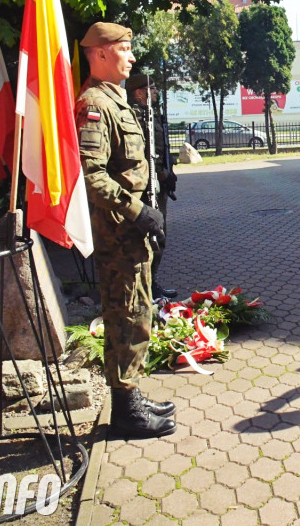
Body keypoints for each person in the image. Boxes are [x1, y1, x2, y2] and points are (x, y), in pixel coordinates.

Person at [75, 22, 176, 437]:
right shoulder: (94, 104)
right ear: (99, 53)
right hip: (117, 232)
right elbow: (91, 173)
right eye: (125, 48)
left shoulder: (114, 101)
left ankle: (130, 396)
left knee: (135, 312)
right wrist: (138, 212)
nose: (131, 57)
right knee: (125, 313)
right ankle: (126, 413)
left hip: (128, 232)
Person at [126, 73, 178, 301]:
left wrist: (170, 167)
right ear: (139, 92)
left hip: (158, 185)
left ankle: (150, 284)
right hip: (147, 188)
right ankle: (144, 289)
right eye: (152, 88)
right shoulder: (135, 116)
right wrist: (162, 174)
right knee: (152, 236)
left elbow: (158, 149)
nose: (156, 92)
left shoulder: (151, 114)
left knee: (159, 235)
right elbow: (142, 155)